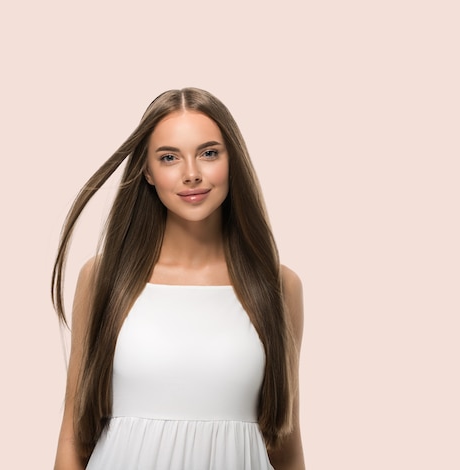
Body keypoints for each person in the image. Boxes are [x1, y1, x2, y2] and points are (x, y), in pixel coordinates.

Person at [51, 88, 305, 470]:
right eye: (169, 157)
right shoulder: (104, 278)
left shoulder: (279, 287)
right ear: (148, 172)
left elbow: (286, 443)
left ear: (232, 161)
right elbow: (73, 432)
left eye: (209, 153)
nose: (191, 174)